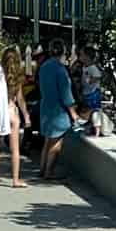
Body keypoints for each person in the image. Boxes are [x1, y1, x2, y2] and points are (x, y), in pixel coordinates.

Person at [0, 47, 28, 188]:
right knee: (15, 150)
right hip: (11, 112)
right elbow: (20, 98)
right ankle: (15, 180)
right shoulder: (17, 75)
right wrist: (26, 116)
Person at [37, 38, 76, 179]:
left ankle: (42, 168)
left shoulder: (44, 67)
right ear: (63, 52)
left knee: (47, 140)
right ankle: (49, 171)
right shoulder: (61, 70)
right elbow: (66, 94)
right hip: (58, 111)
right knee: (57, 142)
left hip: (46, 107)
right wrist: (74, 114)